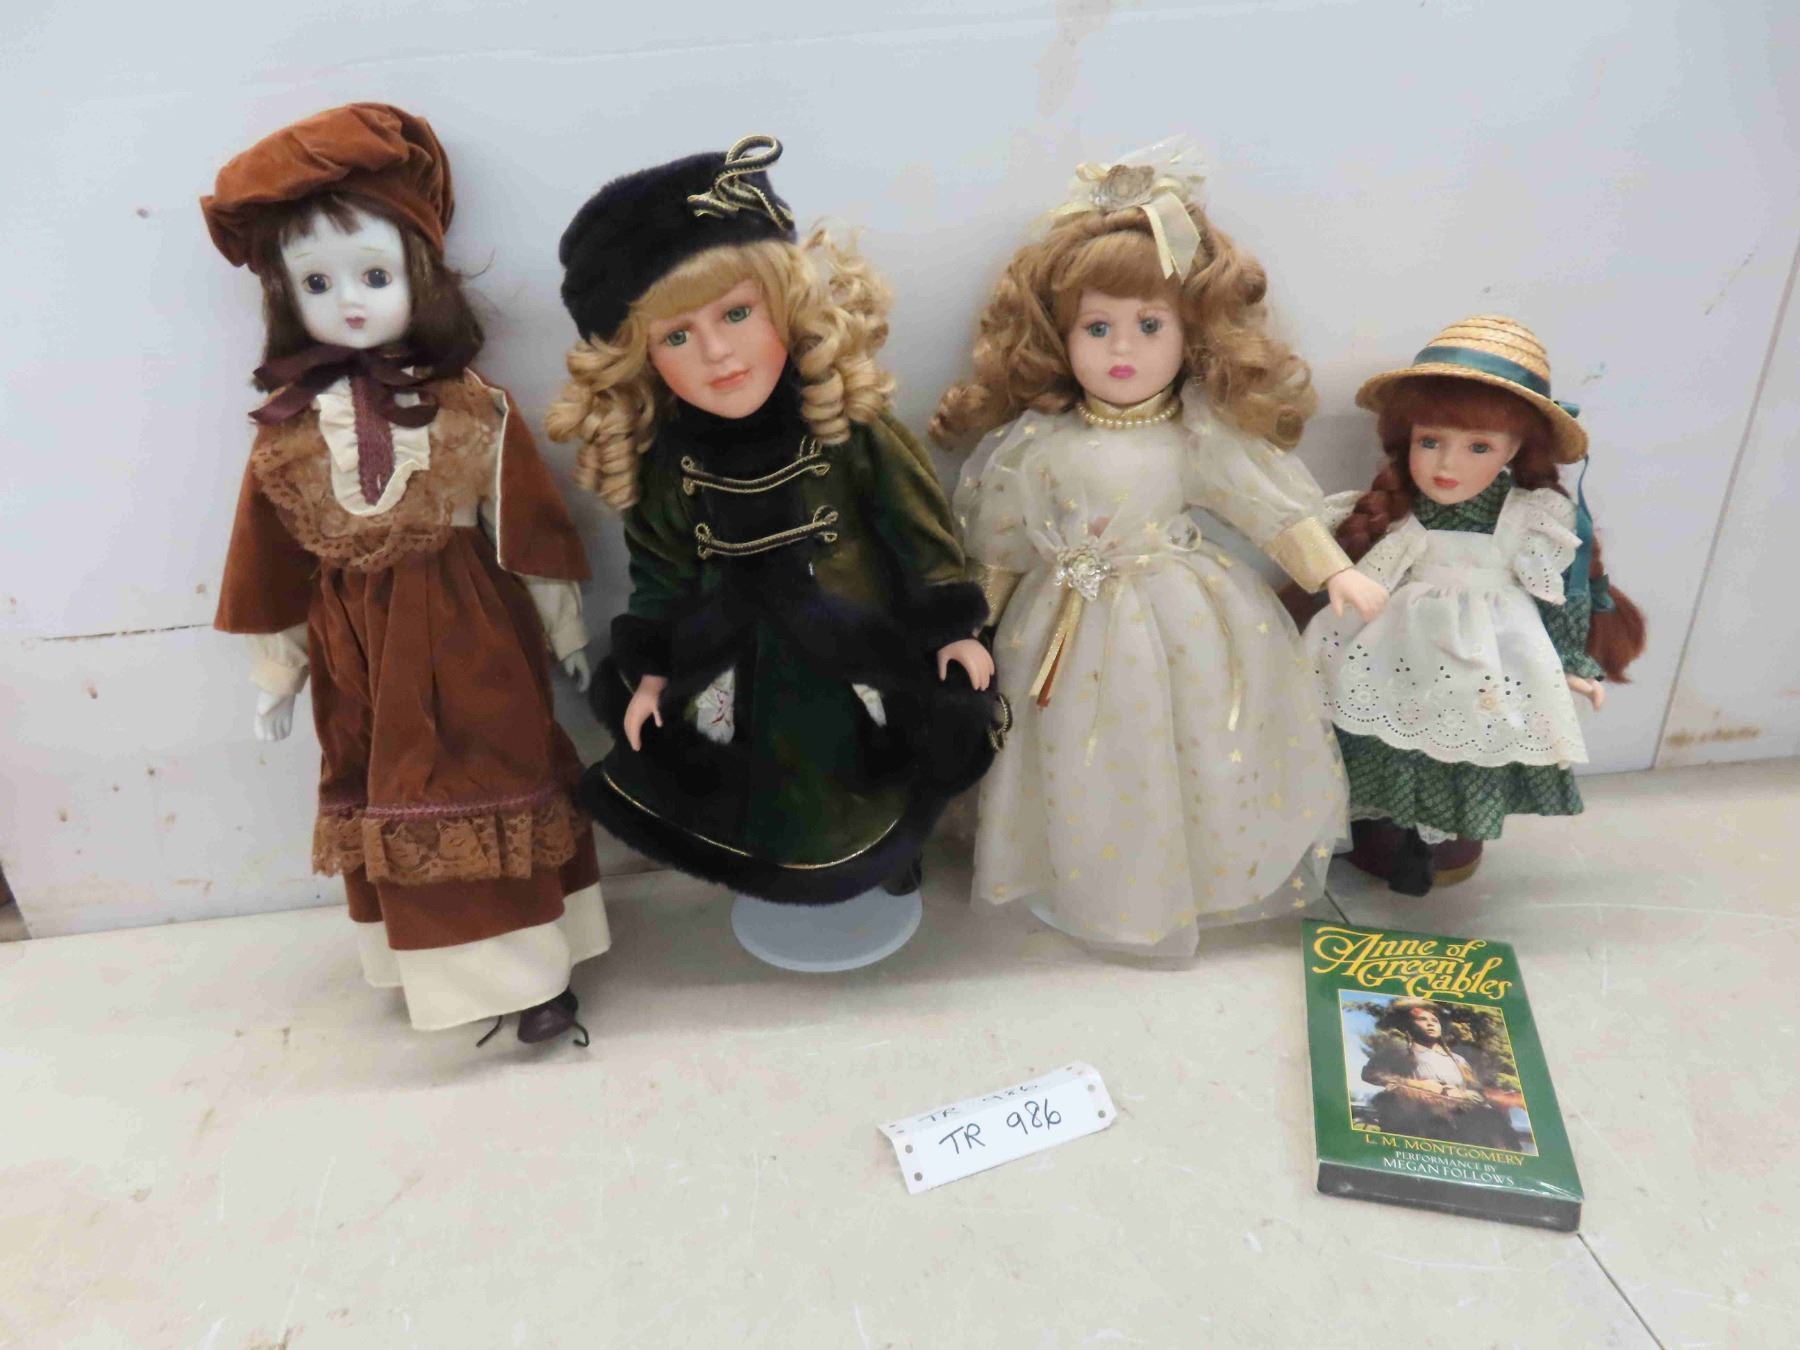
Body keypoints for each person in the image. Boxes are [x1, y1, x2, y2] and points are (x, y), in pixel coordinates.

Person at [205, 104, 606, 1043]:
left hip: (474, 639)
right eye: (317, 281)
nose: (349, 301)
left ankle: (539, 976)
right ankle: (431, 973)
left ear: (420, 275)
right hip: (361, 659)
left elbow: (529, 530)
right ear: (285, 294)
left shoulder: (473, 407)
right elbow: (268, 563)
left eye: (375, 275)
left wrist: (568, 634)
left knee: (497, 775)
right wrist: (276, 675)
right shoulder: (287, 434)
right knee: (387, 793)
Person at [932, 139, 1385, 955]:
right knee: (1076, 753)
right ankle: (1086, 875)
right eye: (1096, 327)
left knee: (1192, 743)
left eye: (1149, 326)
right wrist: (971, 626)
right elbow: (1000, 540)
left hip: (1184, 616)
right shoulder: (1039, 441)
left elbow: (1266, 506)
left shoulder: (1195, 432)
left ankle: (1190, 876)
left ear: (1191, 334)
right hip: (1060, 622)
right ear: (1060, 335)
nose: (1122, 349)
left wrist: (1334, 572)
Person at [547, 135, 1002, 904]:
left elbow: (919, 531)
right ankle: (777, 873)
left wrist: (951, 626)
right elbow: (660, 574)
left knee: (873, 764)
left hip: (857, 643)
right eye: (677, 336)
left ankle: (887, 858)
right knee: (759, 782)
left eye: (737, 313)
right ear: (641, 357)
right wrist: (650, 672)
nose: (717, 353)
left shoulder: (846, 425)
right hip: (731, 663)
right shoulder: (665, 465)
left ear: (785, 305)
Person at [1305, 316, 1646, 895]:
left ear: (1516, 449)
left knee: (1464, 753)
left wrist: (1570, 662)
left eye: (1478, 447)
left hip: (1490, 664)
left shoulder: (1531, 519)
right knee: (1379, 741)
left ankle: (1441, 849)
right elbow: (1362, 576)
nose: (1447, 466)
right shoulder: (1399, 510)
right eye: (1429, 441)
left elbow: (1557, 596)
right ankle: (1384, 840)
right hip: (1395, 652)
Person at [1361, 998, 1522, 1150]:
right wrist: (1418, 1085)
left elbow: (1479, 1093)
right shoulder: (1402, 1051)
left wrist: (1462, 1094)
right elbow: (1370, 1074)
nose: (1430, 1023)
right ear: (1409, 1025)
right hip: (1417, 1123)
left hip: (1458, 1124)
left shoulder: (1458, 1060)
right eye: (1422, 1019)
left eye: (1435, 1020)